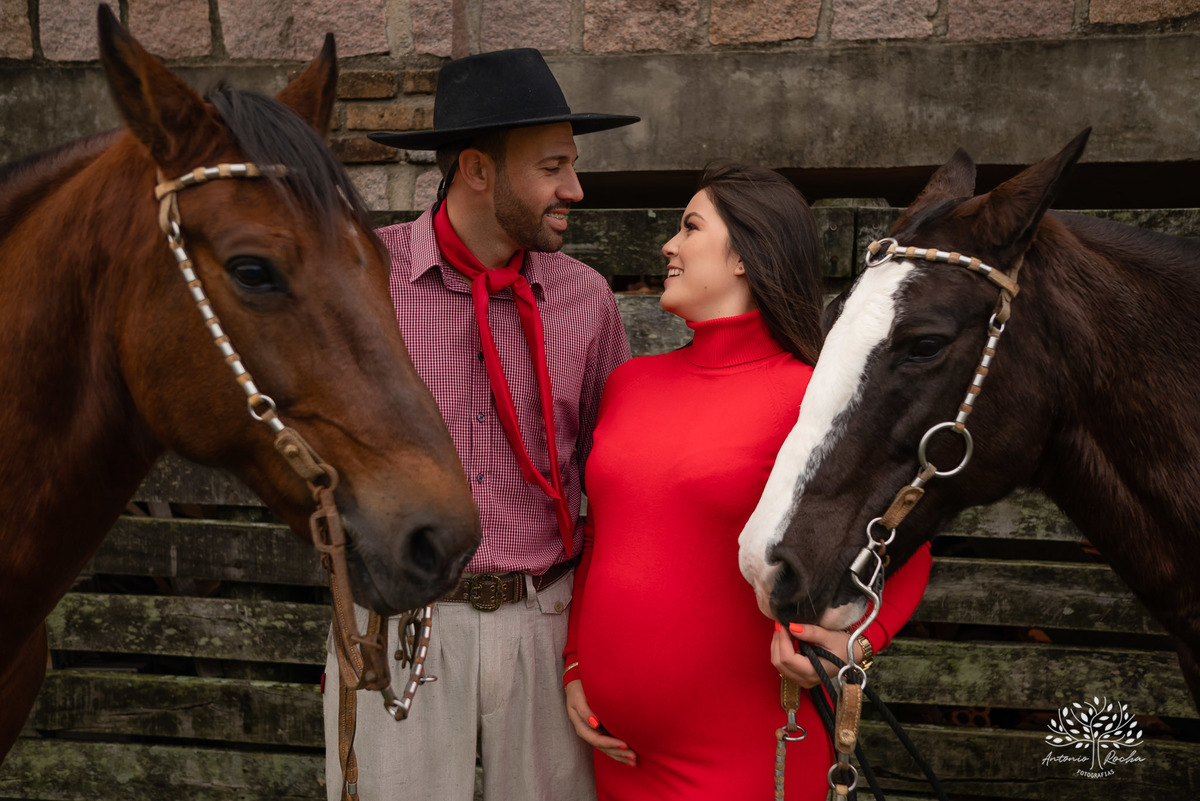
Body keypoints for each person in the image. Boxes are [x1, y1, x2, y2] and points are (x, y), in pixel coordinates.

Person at [321, 48, 638, 801]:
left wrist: (597, 643)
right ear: (478, 170)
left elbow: (616, 485)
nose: (575, 188)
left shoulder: (585, 300)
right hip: (398, 622)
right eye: (553, 166)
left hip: (548, 623)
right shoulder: (366, 278)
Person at [562, 163, 934, 800]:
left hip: (748, 746)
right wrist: (574, 665)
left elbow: (909, 550)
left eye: (690, 227)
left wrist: (856, 646)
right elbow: (600, 537)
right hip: (616, 749)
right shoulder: (629, 384)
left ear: (746, 255)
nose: (669, 246)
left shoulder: (810, 401)